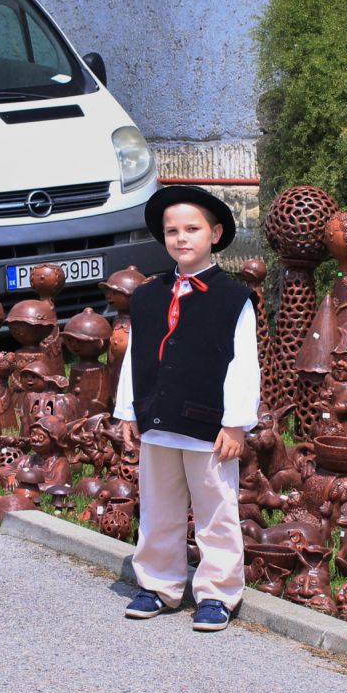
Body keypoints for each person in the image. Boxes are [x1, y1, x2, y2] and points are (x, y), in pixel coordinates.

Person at [113, 185, 260, 631]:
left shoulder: (234, 299)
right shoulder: (147, 295)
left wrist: (235, 423)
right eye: (172, 231)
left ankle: (217, 592)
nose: (181, 238)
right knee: (159, 507)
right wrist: (127, 410)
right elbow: (134, 356)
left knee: (216, 509)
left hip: (209, 427)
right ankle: (158, 584)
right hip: (158, 419)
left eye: (192, 229)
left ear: (214, 234)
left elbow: (243, 364)